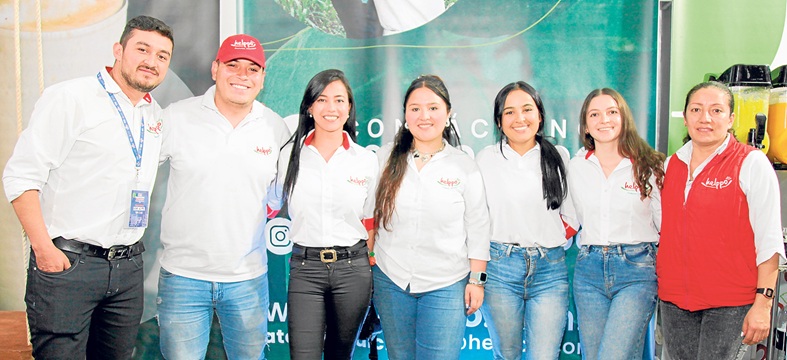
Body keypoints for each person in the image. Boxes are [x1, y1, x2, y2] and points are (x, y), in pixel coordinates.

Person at [2, 15, 173, 359]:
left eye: (162, 56)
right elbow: (21, 177)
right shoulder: (70, 98)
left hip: (126, 269)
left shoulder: (153, 116)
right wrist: (45, 250)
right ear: (117, 50)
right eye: (142, 49)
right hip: (69, 264)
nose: (151, 62)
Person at [155, 34, 289, 359]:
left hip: (248, 279)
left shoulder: (275, 128)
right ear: (215, 69)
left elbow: (279, 196)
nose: (243, 75)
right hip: (183, 276)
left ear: (262, 79)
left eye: (252, 69)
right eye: (233, 65)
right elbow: (132, 168)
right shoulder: (176, 116)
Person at [657, 81, 785, 359]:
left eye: (716, 110)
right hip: (675, 301)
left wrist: (763, 304)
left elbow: (769, 240)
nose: (705, 118)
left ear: (731, 119)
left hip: (729, 303)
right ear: (686, 116)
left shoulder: (751, 163)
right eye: (697, 109)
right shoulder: (671, 165)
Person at [372, 74, 490, 360]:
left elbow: (478, 226)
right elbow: (370, 215)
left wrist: (477, 280)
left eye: (433, 108)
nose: (424, 116)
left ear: (448, 114)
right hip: (391, 280)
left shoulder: (464, 166)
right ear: (405, 115)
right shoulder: (384, 158)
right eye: (415, 108)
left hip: (446, 285)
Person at [273, 69, 378, 360]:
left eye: (339, 100)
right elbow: (268, 202)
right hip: (306, 269)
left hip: (353, 270)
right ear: (309, 106)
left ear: (349, 107)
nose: (331, 108)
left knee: (338, 356)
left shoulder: (366, 160)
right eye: (322, 99)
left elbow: (371, 223)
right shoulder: (289, 156)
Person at [476, 81, 575, 360]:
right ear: (499, 121)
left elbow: (571, 216)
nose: (519, 118)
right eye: (509, 112)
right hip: (500, 270)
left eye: (527, 109)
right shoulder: (485, 159)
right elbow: (476, 219)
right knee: (506, 354)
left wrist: (547, 239)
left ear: (540, 116)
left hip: (550, 272)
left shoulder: (559, 158)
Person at [568, 88, 664, 360]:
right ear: (585, 125)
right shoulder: (575, 167)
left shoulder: (651, 165)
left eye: (612, 112)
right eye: (594, 114)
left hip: (637, 271)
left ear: (624, 118)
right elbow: (568, 219)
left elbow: (665, 226)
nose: (604, 120)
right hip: (589, 272)